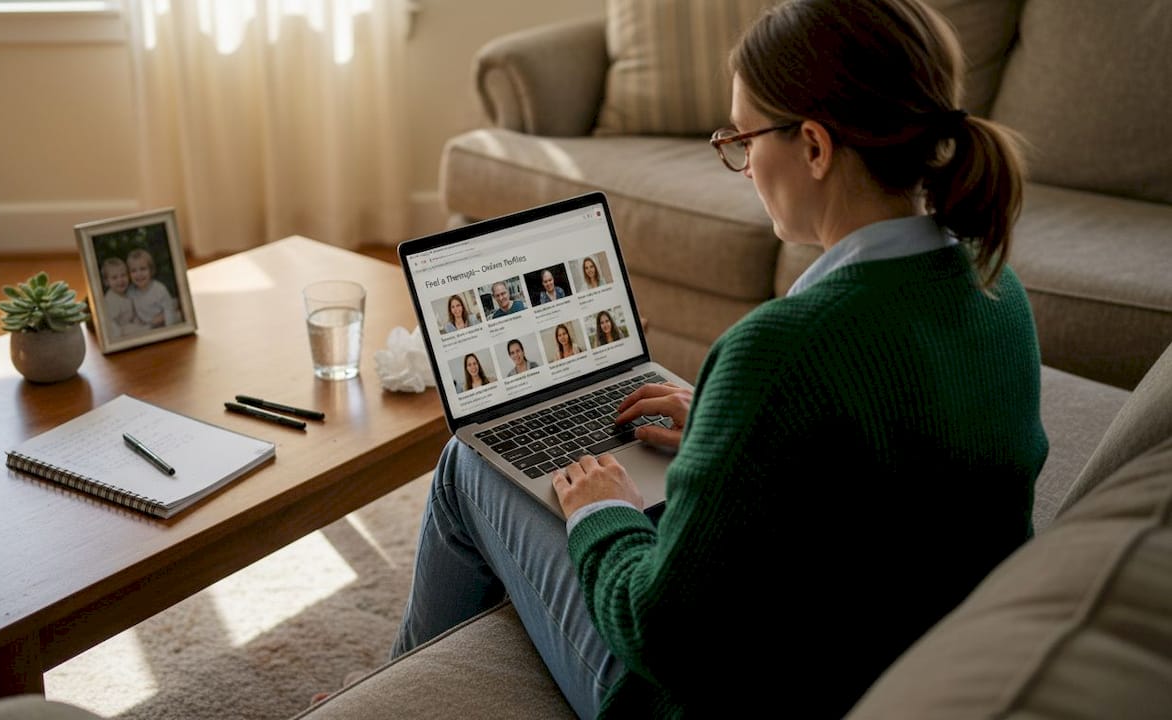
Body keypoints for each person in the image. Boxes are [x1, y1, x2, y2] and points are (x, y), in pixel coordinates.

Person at [388, 1, 1048, 717]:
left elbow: (659, 633)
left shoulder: (781, 350)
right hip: (915, 666)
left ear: (815, 147)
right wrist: (727, 434)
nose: (742, 164)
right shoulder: (996, 289)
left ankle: (391, 698)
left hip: (723, 699)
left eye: (742, 139)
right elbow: (887, 484)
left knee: (466, 464)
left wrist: (603, 513)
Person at [126, 248, 181, 328]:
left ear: (151, 270)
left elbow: (169, 312)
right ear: (129, 274)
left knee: (176, 312)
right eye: (134, 271)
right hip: (148, 325)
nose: (139, 274)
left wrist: (168, 328)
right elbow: (132, 313)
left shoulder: (159, 289)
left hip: (163, 323)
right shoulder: (131, 292)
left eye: (143, 269)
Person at [98, 256, 146, 339]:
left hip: (130, 325)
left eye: (123, 275)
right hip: (120, 332)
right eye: (114, 278)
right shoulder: (111, 300)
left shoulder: (128, 293)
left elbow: (133, 314)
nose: (120, 280)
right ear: (106, 282)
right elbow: (111, 323)